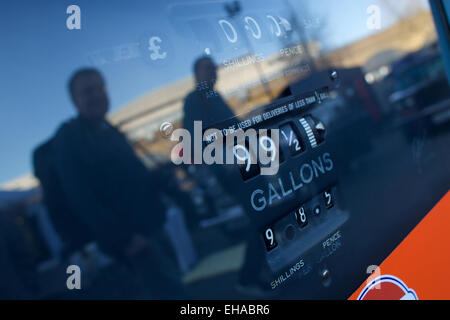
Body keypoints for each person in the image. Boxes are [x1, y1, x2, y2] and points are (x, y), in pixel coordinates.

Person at [52, 68, 182, 298]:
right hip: (134, 242)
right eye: (87, 91)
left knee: (175, 286)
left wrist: (159, 178)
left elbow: (133, 179)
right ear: (75, 101)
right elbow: (83, 197)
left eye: (100, 87)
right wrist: (124, 239)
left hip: (152, 226)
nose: (97, 94)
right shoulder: (70, 139)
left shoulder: (109, 130)